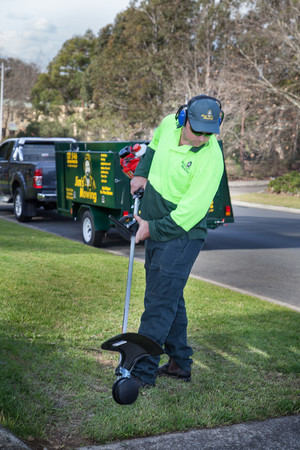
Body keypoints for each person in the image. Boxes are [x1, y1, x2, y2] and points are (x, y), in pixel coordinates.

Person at [130, 95, 225, 388]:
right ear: (183, 119)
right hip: (155, 225)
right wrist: (142, 174)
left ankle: (141, 374)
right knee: (171, 298)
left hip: (181, 235)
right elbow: (154, 147)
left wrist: (150, 229)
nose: (203, 138)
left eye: (209, 132)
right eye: (198, 130)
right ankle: (180, 363)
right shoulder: (167, 125)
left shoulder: (211, 160)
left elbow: (188, 215)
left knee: (158, 303)